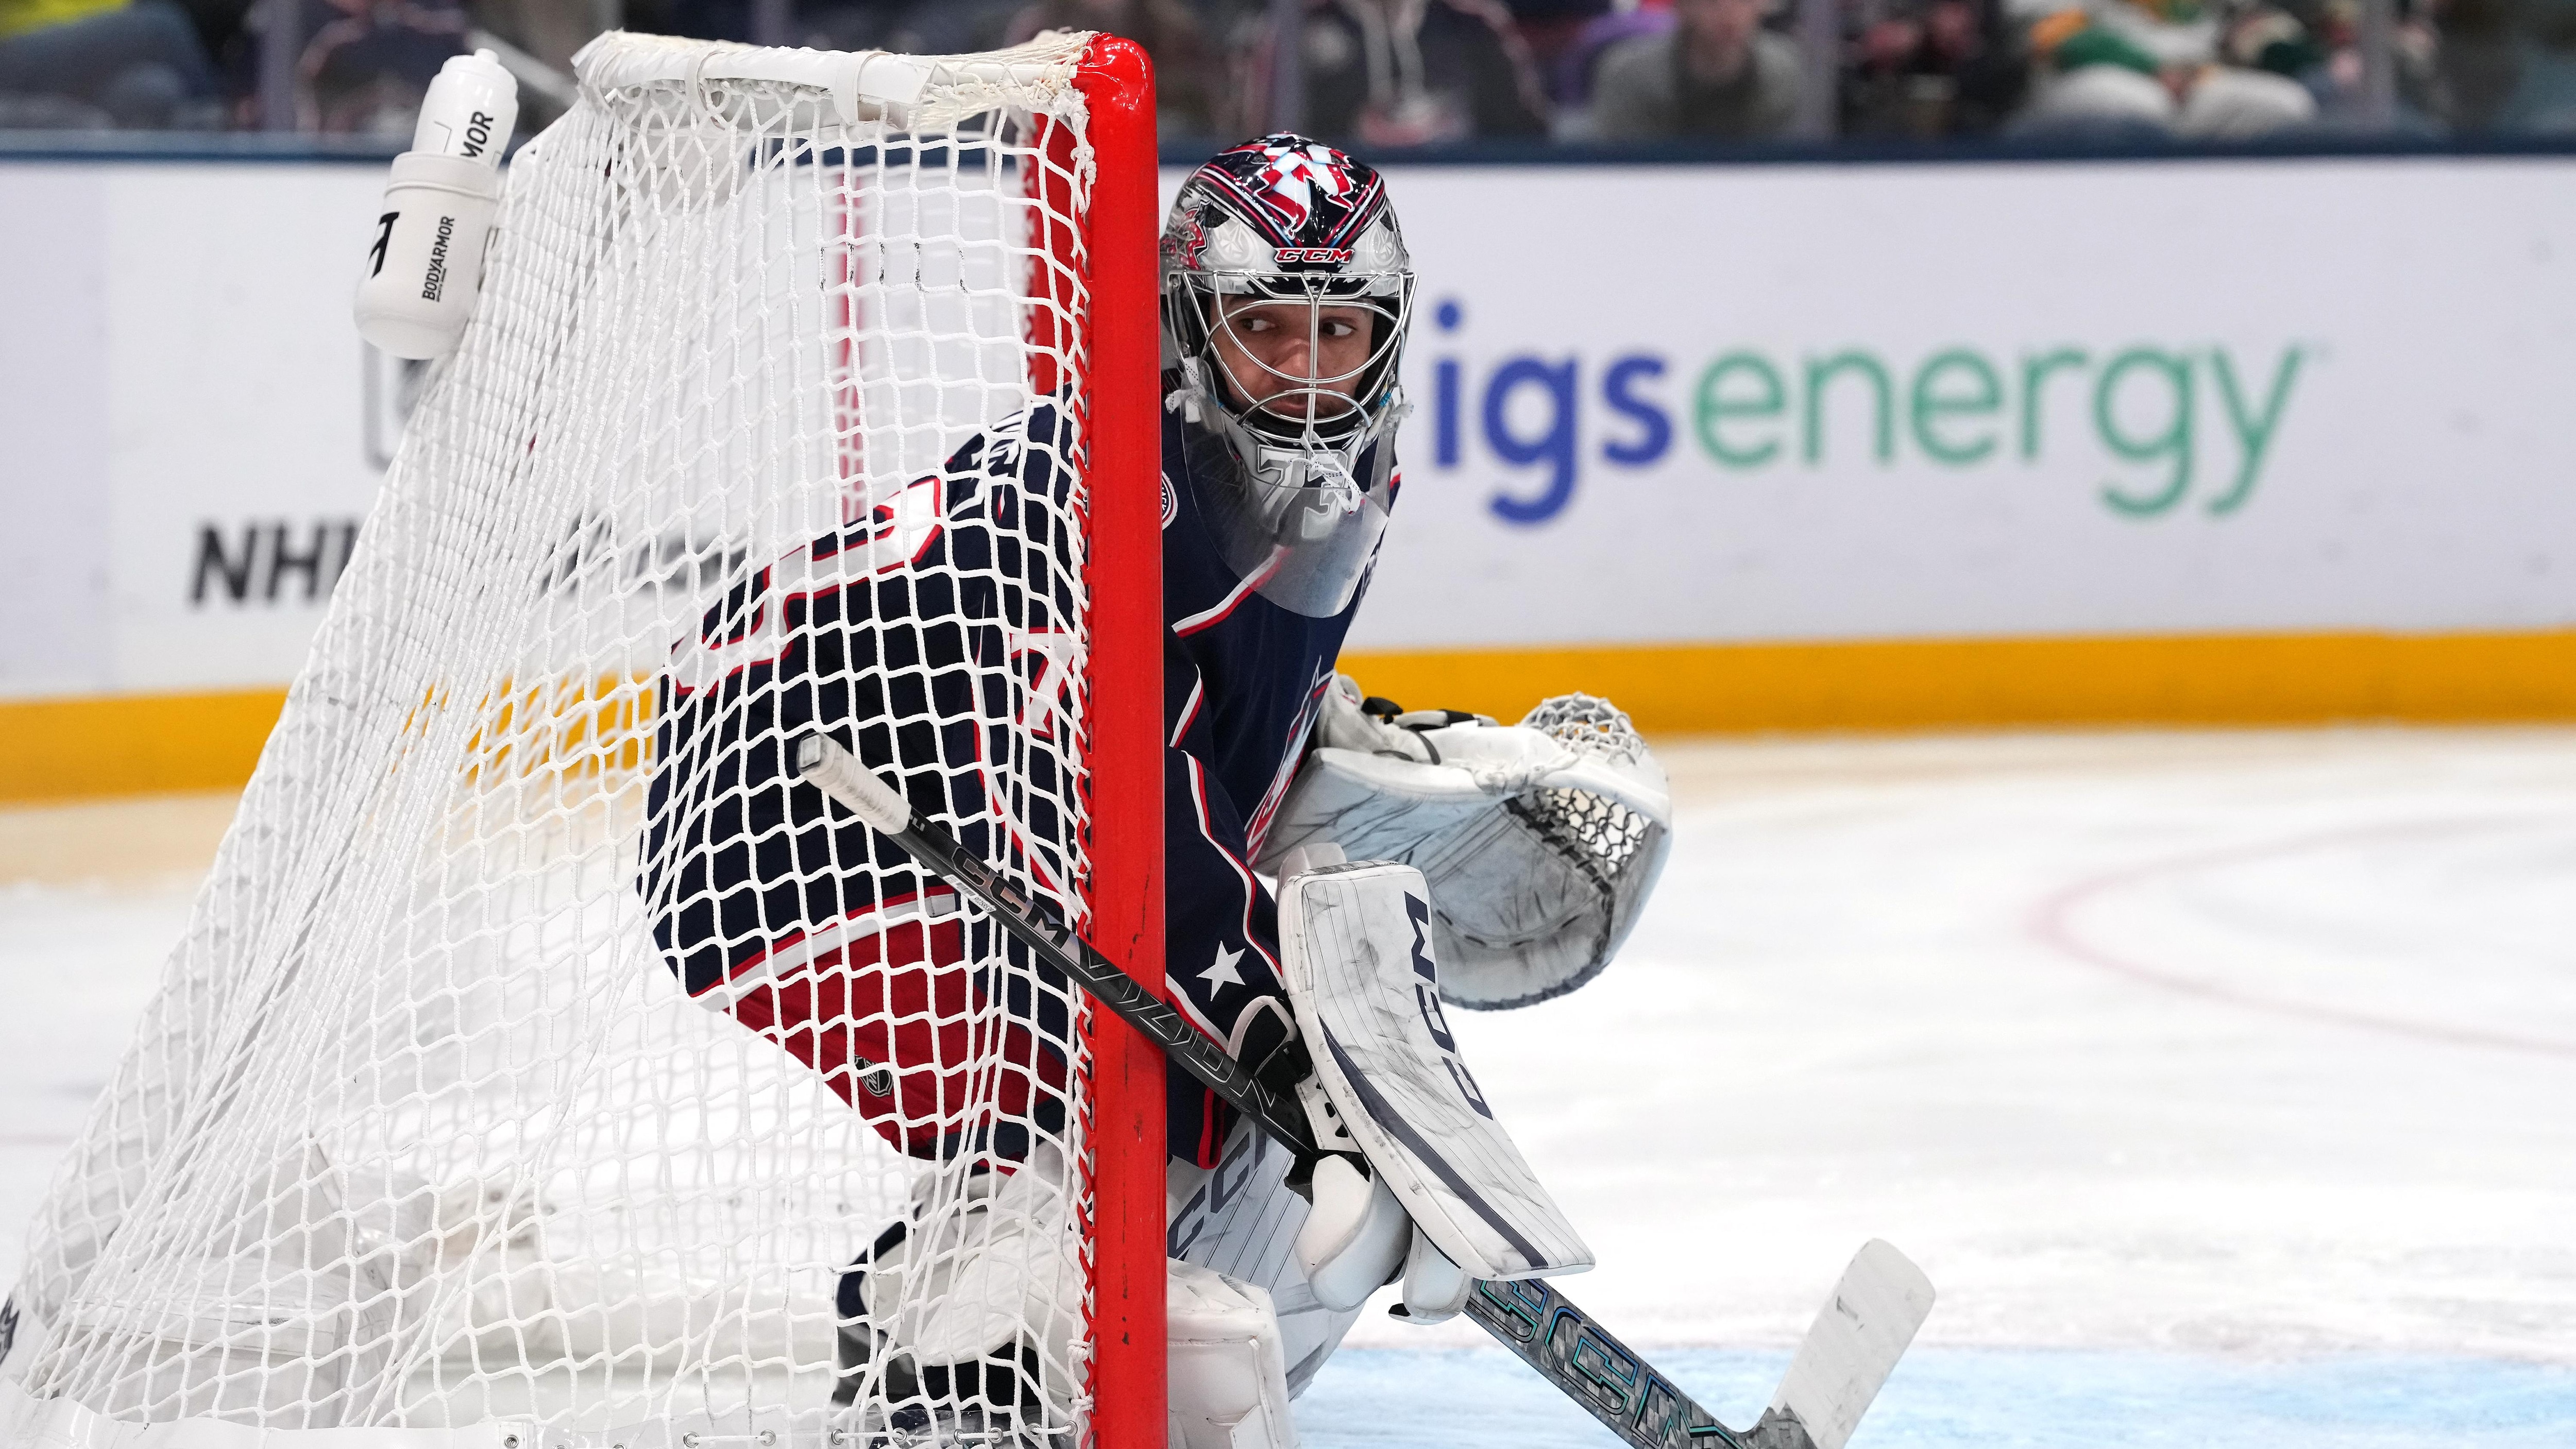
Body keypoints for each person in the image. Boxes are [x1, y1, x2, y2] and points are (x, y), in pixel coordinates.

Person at [641, 134, 1660, 1445]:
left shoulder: (1346, 477)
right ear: (1189, 327)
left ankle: (956, 1287)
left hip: (979, 776)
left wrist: (1332, 759)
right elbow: (1114, 824)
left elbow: (1200, 711)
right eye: (1264, 332)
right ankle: (976, 1356)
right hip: (790, 826)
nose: (1305, 375)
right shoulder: (1108, 497)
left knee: (1226, 1036)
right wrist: (1315, 1074)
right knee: (1133, 1055)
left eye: (1337, 331)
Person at [1588, 0, 1804, 140]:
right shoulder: (1630, 76)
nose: (1729, 14)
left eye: (1743, 1)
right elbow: (1622, 166)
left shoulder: (1789, 71)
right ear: (1682, 7)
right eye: (1711, 3)